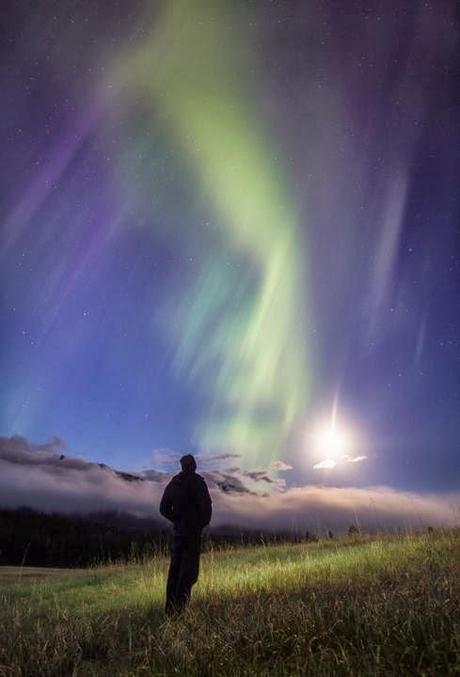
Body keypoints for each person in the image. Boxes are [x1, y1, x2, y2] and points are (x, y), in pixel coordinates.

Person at [159, 454, 212, 614]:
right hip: (192, 534)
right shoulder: (198, 483)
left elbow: (163, 509)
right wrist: (199, 525)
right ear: (193, 465)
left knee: (175, 571)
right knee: (189, 572)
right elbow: (207, 510)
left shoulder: (174, 483)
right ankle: (181, 610)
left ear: (182, 466)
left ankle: (170, 608)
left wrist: (177, 520)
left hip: (178, 534)